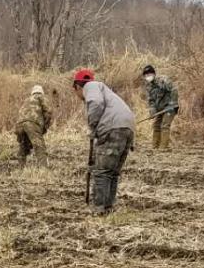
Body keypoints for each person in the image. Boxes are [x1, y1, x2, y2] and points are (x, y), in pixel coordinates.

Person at [73, 69, 135, 215]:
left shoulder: (91, 86)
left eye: (75, 92)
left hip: (113, 128)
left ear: (77, 87)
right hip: (128, 127)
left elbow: (95, 103)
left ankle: (98, 208)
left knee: (101, 171)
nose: (78, 96)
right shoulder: (106, 91)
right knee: (112, 172)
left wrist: (93, 126)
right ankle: (108, 207)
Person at [141, 64, 179, 150]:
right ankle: (155, 147)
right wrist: (152, 111)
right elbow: (151, 101)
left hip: (170, 108)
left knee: (165, 125)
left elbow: (174, 90)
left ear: (154, 74)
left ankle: (163, 148)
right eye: (146, 75)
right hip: (160, 109)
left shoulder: (163, 80)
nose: (148, 77)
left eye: (149, 74)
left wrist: (172, 104)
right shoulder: (149, 86)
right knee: (156, 126)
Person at [14, 84, 53, 167]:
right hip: (31, 123)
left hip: (19, 125)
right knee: (39, 146)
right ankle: (43, 168)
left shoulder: (27, 100)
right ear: (41, 92)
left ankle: (20, 167)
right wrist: (46, 126)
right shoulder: (41, 97)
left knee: (23, 146)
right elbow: (48, 111)